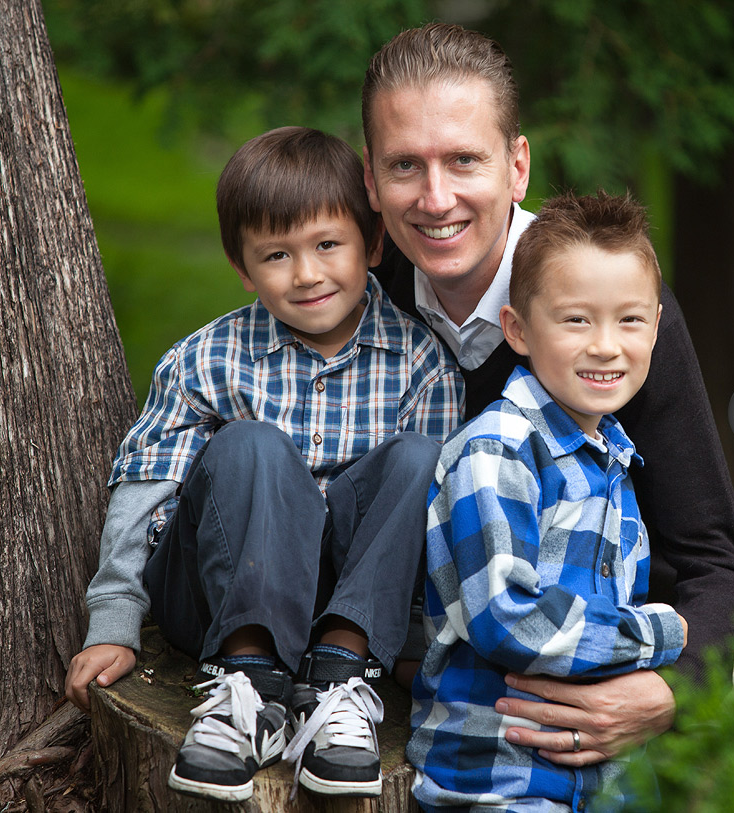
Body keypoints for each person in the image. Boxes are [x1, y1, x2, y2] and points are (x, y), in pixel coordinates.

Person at [362, 23, 734, 763]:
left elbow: (716, 557)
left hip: (616, 671)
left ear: (518, 167)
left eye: (463, 160)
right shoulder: (352, 298)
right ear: (369, 179)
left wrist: (671, 692)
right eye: (405, 166)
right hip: (438, 708)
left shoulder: (605, 309)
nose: (436, 196)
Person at [64, 126, 464, 803]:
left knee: (422, 458)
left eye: (328, 245)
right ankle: (243, 688)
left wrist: (422, 637)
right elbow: (143, 490)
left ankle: (342, 677)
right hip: (214, 596)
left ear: (372, 245)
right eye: (276, 255)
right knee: (252, 444)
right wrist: (114, 622)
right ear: (244, 269)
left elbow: (431, 519)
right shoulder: (206, 359)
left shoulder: (421, 362)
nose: (307, 273)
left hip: (349, 605)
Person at [410, 191, 689, 812]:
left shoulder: (615, 457)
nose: (606, 345)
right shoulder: (498, 452)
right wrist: (660, 634)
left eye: (631, 320)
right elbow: (507, 617)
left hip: (606, 780)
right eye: (575, 319)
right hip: (501, 780)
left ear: (657, 327)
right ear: (517, 329)